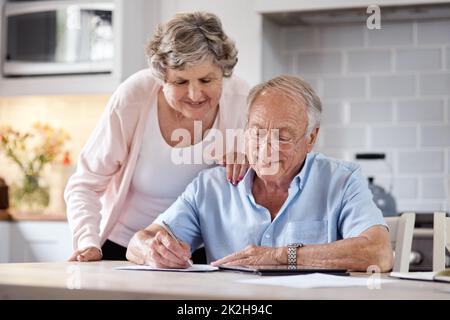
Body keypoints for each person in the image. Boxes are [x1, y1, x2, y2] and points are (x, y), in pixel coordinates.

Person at [126, 75, 394, 272]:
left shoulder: (342, 181)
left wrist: (281, 256)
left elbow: (378, 252)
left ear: (311, 138)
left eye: (283, 136)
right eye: (257, 132)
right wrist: (154, 251)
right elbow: (139, 243)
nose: (266, 147)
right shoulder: (212, 186)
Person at [64, 12, 250, 262]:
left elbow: (268, 182)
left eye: (206, 79)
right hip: (126, 247)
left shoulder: (241, 101)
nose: (195, 94)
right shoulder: (134, 98)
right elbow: (85, 184)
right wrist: (88, 241)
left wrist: (251, 164)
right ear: (162, 77)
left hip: (205, 253)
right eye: (181, 81)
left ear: (224, 73)